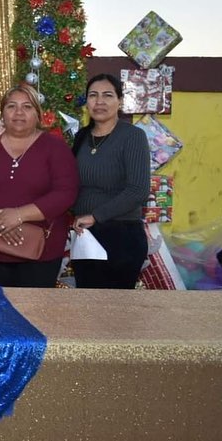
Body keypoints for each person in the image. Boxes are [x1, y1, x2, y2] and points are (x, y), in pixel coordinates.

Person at [0, 84, 79, 288]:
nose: (19, 112)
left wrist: (19, 215)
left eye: (27, 107)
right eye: (11, 106)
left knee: (34, 313)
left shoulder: (55, 148)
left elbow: (66, 192)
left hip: (43, 249)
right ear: (2, 113)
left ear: (38, 114)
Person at [71, 74, 151, 289]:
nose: (99, 102)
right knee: (87, 309)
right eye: (93, 95)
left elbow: (138, 190)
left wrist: (96, 216)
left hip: (121, 237)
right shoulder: (81, 137)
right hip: (85, 236)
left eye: (107, 95)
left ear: (120, 101)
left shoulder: (133, 136)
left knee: (115, 314)